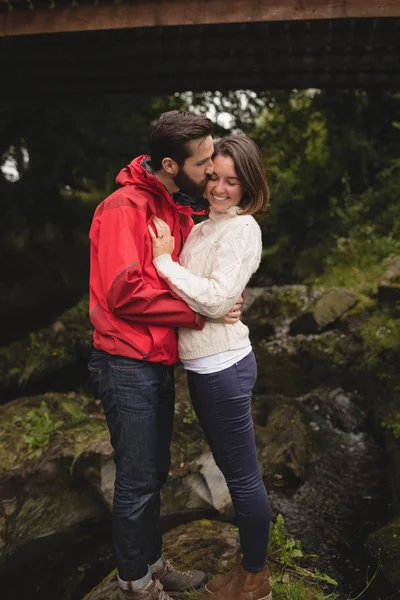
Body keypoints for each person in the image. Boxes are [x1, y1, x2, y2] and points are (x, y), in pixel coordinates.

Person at [87, 111, 242, 600]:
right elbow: (123, 291)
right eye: (204, 164)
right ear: (172, 164)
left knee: (152, 471)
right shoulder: (122, 208)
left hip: (155, 359)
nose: (212, 170)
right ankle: (135, 582)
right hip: (124, 362)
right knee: (136, 476)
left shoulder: (172, 205)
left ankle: (152, 564)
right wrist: (202, 315)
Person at [148, 135, 272, 600]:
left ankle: (255, 578)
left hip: (223, 366)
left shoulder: (243, 229)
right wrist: (206, 295)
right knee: (232, 469)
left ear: (249, 184)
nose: (218, 189)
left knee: (241, 476)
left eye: (231, 182)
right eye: (213, 177)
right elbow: (202, 295)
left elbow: (216, 296)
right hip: (203, 366)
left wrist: (164, 262)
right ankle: (247, 570)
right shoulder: (202, 228)